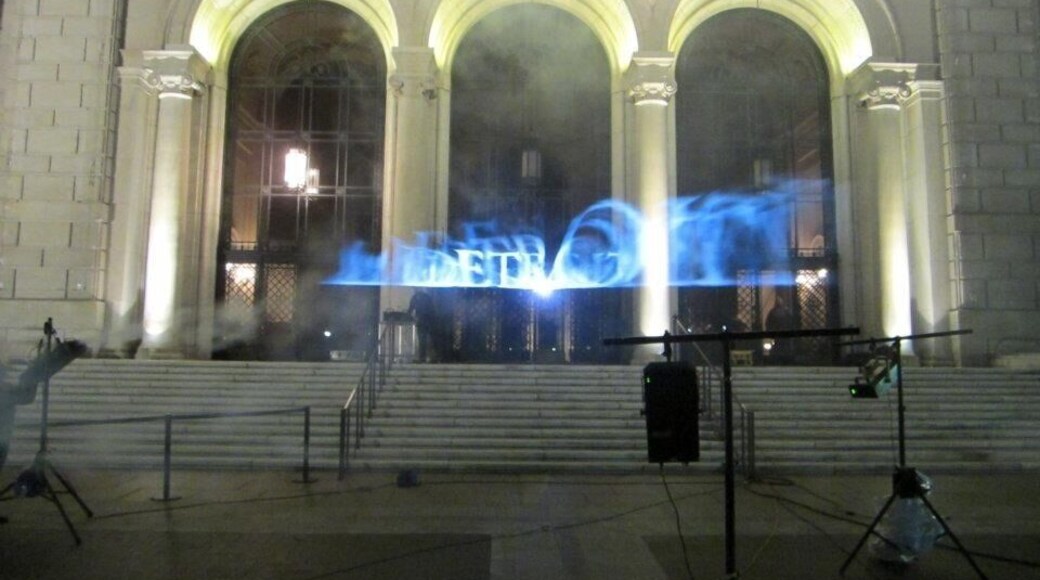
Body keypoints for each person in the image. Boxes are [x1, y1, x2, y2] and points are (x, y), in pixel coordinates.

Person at [408, 289, 436, 363]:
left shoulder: (415, 297)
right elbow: (432, 309)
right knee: (427, 340)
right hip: (428, 321)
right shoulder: (427, 297)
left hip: (422, 321)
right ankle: (430, 357)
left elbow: (410, 310)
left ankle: (423, 357)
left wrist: (412, 317)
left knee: (422, 340)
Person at [765, 294, 795, 364]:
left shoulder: (773, 312)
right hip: (782, 333)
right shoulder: (785, 311)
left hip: (778, 333)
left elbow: (768, 323)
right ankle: (785, 359)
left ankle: (778, 359)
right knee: (782, 346)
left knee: (779, 346)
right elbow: (791, 321)